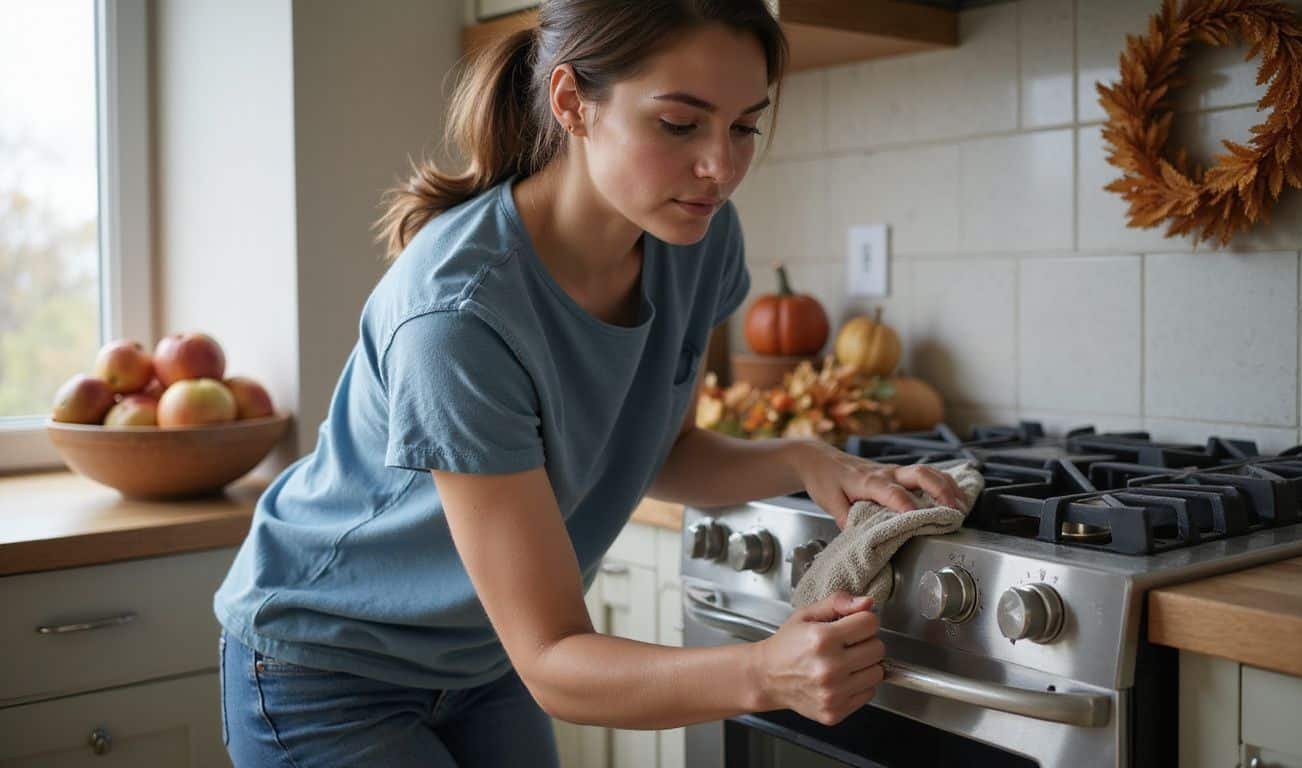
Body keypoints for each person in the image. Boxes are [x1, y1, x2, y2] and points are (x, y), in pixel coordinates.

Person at [213, 1, 968, 765]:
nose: (721, 167)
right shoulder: (460, 317)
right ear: (572, 102)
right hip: (330, 665)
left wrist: (809, 460)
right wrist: (763, 673)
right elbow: (553, 659)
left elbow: (656, 448)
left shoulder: (696, 239)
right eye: (680, 124)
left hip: (480, 660)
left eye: (744, 126)